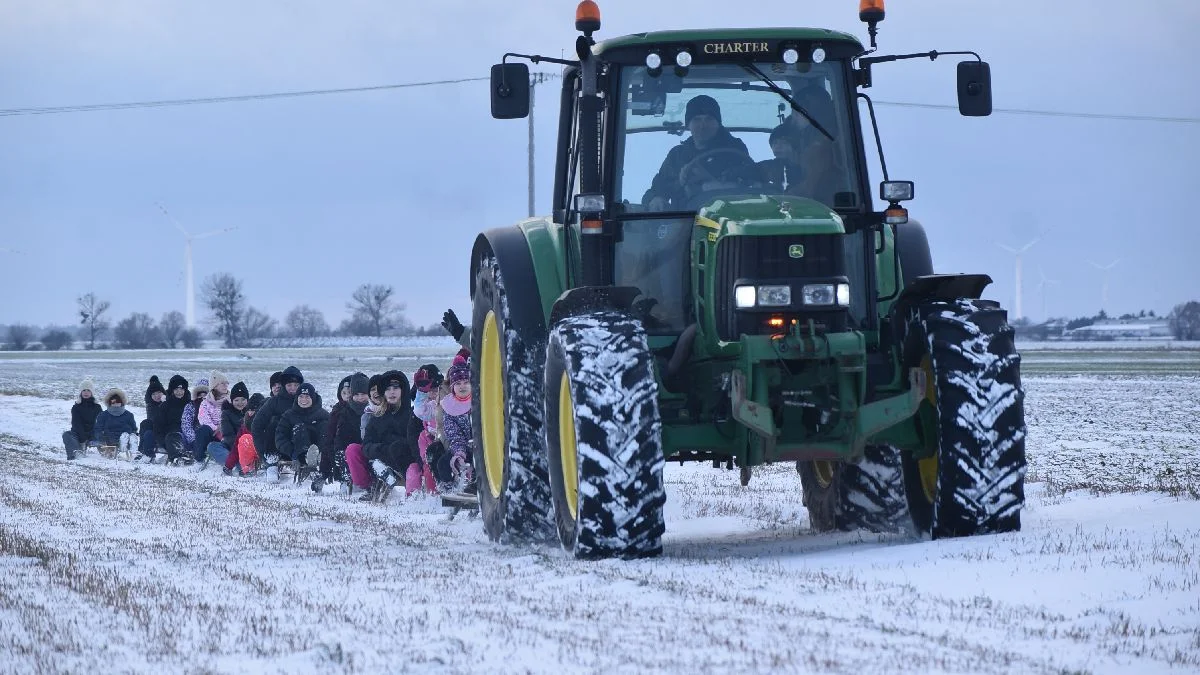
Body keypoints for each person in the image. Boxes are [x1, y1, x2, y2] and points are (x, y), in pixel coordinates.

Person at [642, 94, 752, 211]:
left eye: (709, 119)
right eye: (697, 120)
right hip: (684, 218)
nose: (703, 125)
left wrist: (711, 181)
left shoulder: (735, 150)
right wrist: (654, 199)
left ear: (718, 124)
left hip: (727, 217)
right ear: (688, 125)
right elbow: (658, 188)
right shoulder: (677, 155)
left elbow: (750, 185)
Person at [359, 370, 417, 503]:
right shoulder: (377, 417)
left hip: (407, 464)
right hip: (382, 459)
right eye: (387, 389)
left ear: (402, 390)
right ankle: (376, 486)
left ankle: (414, 498)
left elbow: (413, 443)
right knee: (372, 460)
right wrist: (382, 449)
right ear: (383, 393)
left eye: (395, 388)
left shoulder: (413, 415)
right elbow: (366, 445)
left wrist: (394, 445)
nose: (391, 392)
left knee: (399, 448)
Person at [320, 373, 370, 495]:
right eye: (356, 394)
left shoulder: (374, 409)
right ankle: (345, 478)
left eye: (363, 394)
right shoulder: (342, 413)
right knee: (342, 452)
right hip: (351, 452)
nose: (359, 398)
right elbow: (334, 439)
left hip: (369, 449)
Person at [252, 365, 303, 476]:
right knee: (275, 421)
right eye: (289, 385)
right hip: (278, 445)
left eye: (296, 385)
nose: (293, 388)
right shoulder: (274, 402)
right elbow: (257, 425)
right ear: (284, 385)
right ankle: (272, 459)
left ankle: (310, 458)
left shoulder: (306, 400)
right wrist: (262, 452)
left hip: (299, 442)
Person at [275, 382, 329, 480]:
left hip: (319, 450)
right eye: (301, 396)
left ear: (313, 398)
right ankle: (306, 458)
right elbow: (280, 437)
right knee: (299, 428)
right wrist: (292, 453)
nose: (304, 400)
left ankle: (319, 458)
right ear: (297, 398)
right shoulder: (289, 415)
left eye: (307, 397)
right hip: (297, 451)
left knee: (325, 426)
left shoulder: (323, 415)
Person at [437, 356, 475, 497]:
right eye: (458, 383)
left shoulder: (479, 402)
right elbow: (454, 434)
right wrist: (459, 454)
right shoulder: (449, 407)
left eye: (466, 382)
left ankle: (475, 486)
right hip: (462, 448)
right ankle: (450, 490)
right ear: (452, 386)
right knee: (443, 463)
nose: (462, 386)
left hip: (482, 447)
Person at [406, 364, 443, 496]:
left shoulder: (445, 405)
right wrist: (422, 461)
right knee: (421, 469)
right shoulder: (423, 411)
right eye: (429, 391)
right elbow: (420, 410)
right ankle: (427, 497)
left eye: (436, 390)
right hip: (428, 449)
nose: (433, 394)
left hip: (447, 445)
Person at [315, 374, 355, 490]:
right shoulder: (337, 410)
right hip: (337, 446)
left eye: (350, 393)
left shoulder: (360, 409)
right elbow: (330, 436)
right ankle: (325, 474)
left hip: (354, 446)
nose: (347, 396)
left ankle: (346, 479)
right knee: (330, 447)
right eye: (344, 393)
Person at [346, 374, 384, 494]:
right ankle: (367, 486)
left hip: (387, 450)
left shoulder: (392, 408)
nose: (360, 397)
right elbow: (365, 438)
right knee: (352, 450)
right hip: (370, 450)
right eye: (372, 390)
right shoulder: (366, 414)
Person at [212, 381, 250, 472]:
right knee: (212, 446)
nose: (240, 403)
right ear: (232, 401)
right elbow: (228, 435)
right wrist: (237, 450)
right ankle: (235, 462)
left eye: (243, 399)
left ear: (247, 400)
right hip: (232, 445)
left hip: (248, 446)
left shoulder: (251, 412)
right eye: (236, 400)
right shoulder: (226, 413)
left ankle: (242, 463)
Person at [92, 388, 139, 457]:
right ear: (109, 402)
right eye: (113, 401)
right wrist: (101, 440)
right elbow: (98, 429)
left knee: (126, 436)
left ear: (122, 402)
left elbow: (134, 428)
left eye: (118, 401)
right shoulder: (103, 415)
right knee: (111, 445)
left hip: (125, 438)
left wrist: (132, 434)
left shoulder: (129, 415)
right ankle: (119, 449)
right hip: (108, 441)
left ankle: (129, 448)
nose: (116, 403)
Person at [197, 370, 230, 465]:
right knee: (203, 430)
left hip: (227, 432)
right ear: (214, 386)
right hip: (212, 433)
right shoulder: (205, 403)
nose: (225, 386)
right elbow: (203, 419)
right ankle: (199, 457)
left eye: (226, 383)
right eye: (222, 383)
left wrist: (223, 429)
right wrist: (217, 429)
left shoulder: (231, 400)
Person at [63, 379, 101, 460]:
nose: (86, 392)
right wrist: (83, 439)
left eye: (88, 390)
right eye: (84, 390)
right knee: (67, 434)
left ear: (92, 393)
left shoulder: (97, 407)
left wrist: (94, 434)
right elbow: (76, 424)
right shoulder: (76, 407)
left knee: (106, 433)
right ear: (80, 392)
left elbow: (100, 423)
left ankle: (108, 452)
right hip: (79, 434)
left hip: (93, 434)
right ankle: (76, 453)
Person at [157, 374, 191, 463]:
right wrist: (162, 442)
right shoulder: (165, 406)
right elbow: (159, 426)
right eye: (176, 389)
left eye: (181, 389)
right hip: (171, 436)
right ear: (172, 390)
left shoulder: (190, 404)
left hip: (188, 435)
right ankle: (178, 458)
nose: (179, 392)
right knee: (172, 437)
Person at [180, 378, 209, 464]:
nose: (202, 397)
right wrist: (193, 439)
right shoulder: (190, 406)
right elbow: (186, 425)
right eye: (200, 395)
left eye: (205, 394)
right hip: (193, 437)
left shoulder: (213, 406)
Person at [236, 393, 266, 476]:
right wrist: (228, 465)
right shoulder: (246, 422)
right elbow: (236, 444)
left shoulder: (267, 418)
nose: (250, 413)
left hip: (266, 449)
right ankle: (248, 468)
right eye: (249, 410)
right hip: (253, 450)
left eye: (253, 410)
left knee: (246, 439)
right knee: (244, 439)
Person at [138, 375, 167, 461]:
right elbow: (154, 420)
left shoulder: (168, 402)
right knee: (145, 423)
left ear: (163, 393)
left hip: (166, 430)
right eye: (153, 394)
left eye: (159, 392)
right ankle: (143, 451)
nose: (157, 395)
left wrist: (165, 403)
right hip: (155, 429)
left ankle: (145, 451)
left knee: (148, 429)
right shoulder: (151, 406)